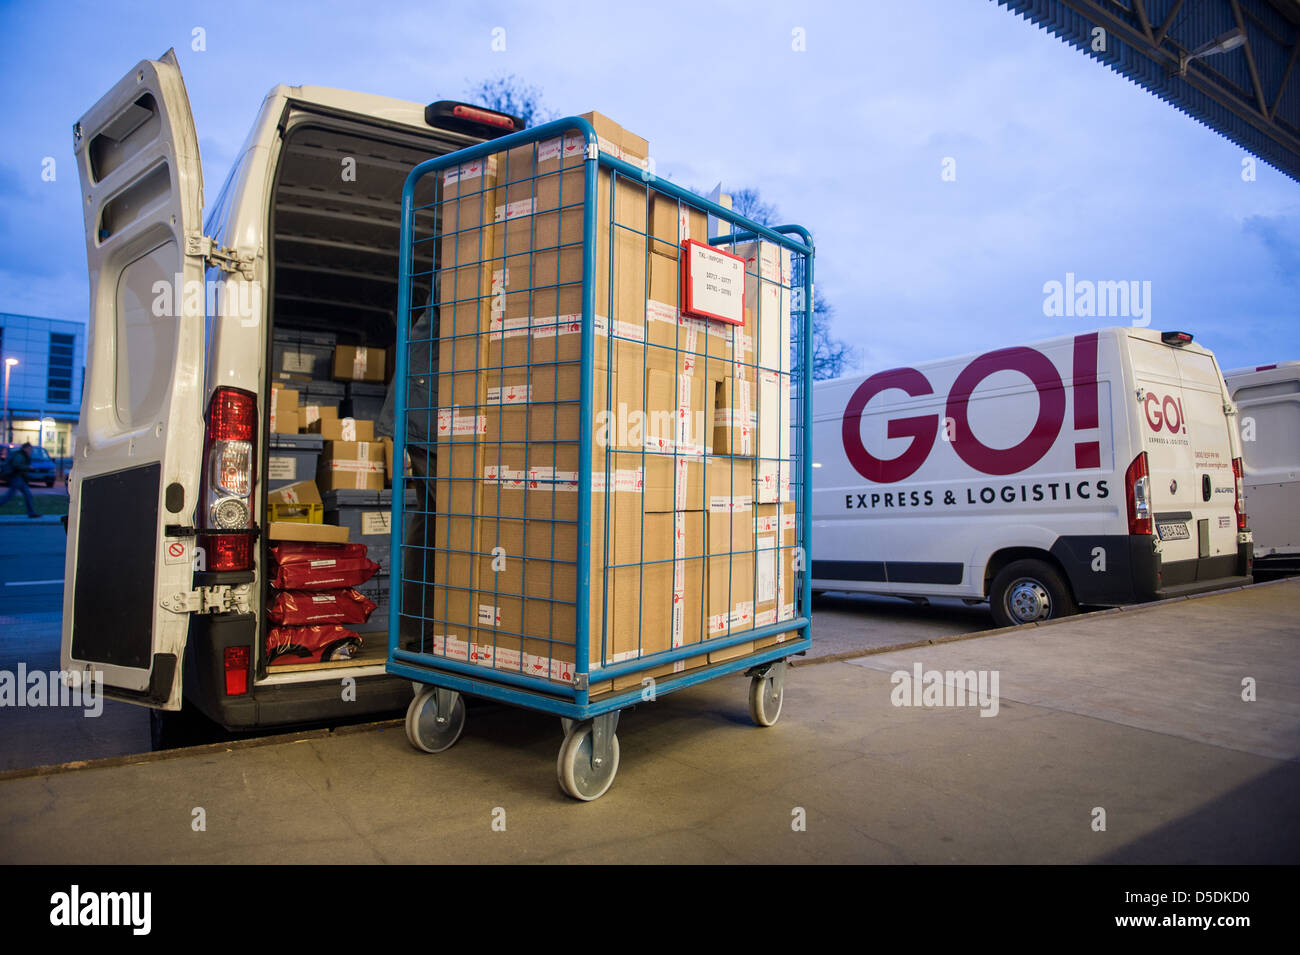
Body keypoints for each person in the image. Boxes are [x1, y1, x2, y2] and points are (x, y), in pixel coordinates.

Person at [0, 442, 40, 518]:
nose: (30, 450)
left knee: (26, 495)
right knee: (10, 495)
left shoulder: (22, 455)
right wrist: (28, 467)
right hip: (16, 477)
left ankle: (31, 513)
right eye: (29, 449)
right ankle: (31, 513)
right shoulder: (20, 455)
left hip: (19, 478)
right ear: (25, 448)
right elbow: (16, 465)